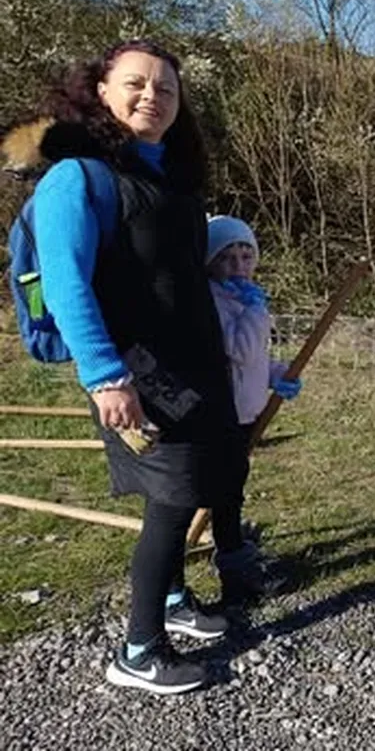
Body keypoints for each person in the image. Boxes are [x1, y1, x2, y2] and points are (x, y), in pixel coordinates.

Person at [11, 41, 242, 694]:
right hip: (134, 373)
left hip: (191, 365)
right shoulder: (76, 180)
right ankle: (138, 651)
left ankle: (171, 603)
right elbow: (65, 285)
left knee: (187, 489)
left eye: (166, 88)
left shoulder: (171, 180)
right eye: (135, 84)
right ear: (101, 93)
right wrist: (106, 377)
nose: (152, 97)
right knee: (173, 502)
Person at [204, 214, 302, 602]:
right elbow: (240, 350)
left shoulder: (239, 299)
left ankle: (230, 542)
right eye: (227, 257)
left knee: (233, 484)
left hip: (247, 413)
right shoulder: (213, 301)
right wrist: (257, 312)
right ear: (210, 262)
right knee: (226, 491)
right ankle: (235, 568)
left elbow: (253, 361)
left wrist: (276, 373)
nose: (239, 266)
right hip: (222, 415)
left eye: (246, 256)